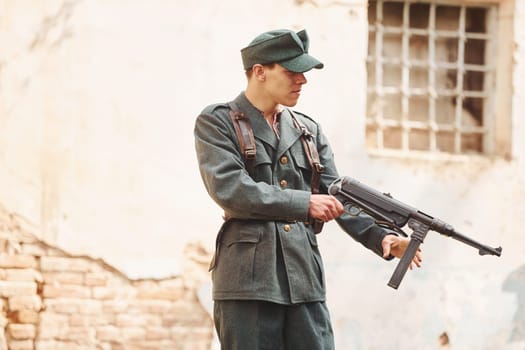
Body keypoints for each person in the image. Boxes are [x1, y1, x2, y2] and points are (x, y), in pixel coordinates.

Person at [194, 28, 422, 350]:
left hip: (304, 278)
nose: (302, 80)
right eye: (292, 72)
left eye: (303, 73)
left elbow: (338, 194)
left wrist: (379, 235)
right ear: (259, 71)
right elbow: (231, 188)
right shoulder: (218, 122)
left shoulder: (307, 130)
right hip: (248, 283)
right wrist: (305, 203)